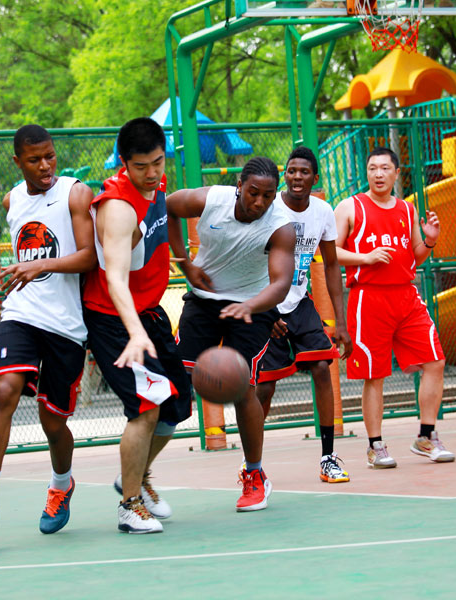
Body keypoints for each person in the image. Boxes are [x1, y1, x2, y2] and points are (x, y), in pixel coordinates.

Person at [0, 124, 96, 535]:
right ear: (17, 162)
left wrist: (39, 264)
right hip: (21, 313)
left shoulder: (75, 193)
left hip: (66, 325)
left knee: (52, 423)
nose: (45, 166)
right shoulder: (12, 200)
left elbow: (89, 256)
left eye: (50, 156)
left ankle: (60, 485)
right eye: (34, 160)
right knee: (3, 391)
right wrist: (29, 267)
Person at [167, 156, 296, 512]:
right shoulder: (210, 201)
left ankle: (254, 474)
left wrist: (251, 307)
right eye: (253, 193)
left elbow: (282, 283)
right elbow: (168, 208)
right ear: (239, 187)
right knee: (176, 383)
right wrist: (185, 262)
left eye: (268, 196)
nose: (260, 202)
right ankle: (141, 474)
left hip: (253, 305)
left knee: (243, 387)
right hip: (205, 299)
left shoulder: (281, 226)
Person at [82, 117, 192, 534]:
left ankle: (134, 474)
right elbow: (113, 279)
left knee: (178, 403)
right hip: (113, 319)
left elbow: (168, 225)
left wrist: (186, 262)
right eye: (141, 166)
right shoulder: (118, 208)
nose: (151, 173)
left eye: (158, 163)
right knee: (146, 408)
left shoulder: (157, 187)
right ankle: (129, 506)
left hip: (147, 313)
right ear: (124, 163)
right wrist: (135, 331)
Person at [333, 146, 455, 469]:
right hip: (368, 298)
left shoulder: (406, 210)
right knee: (375, 375)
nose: (378, 174)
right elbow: (329, 252)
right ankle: (376, 446)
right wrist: (365, 258)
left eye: (385, 168)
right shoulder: (350, 207)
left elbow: (414, 254)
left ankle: (426, 436)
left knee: (436, 361)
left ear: (396, 173)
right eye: (373, 168)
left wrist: (428, 240)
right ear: (367, 172)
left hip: (405, 295)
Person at [255, 146, 354, 483]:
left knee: (323, 368)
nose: (297, 177)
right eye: (291, 170)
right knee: (264, 390)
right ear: (286, 174)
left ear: (314, 178)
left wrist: (340, 323)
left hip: (299, 303)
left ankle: (328, 457)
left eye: (304, 172)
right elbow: (252, 264)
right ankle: (251, 464)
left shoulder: (323, 211)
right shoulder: (269, 209)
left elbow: (331, 264)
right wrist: (267, 313)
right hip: (267, 306)